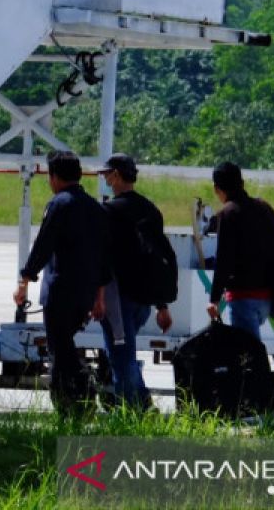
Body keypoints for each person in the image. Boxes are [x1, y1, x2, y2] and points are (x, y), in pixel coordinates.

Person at [13, 150, 110, 416]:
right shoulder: (96, 208)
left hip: (60, 291)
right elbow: (104, 257)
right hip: (86, 294)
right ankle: (77, 396)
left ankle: (74, 397)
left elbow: (43, 246)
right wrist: (99, 297)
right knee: (65, 344)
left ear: (54, 177)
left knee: (59, 349)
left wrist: (25, 280)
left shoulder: (59, 204)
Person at [98, 153, 173, 408]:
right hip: (145, 298)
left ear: (116, 175)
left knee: (121, 357)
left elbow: (103, 257)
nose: (106, 179)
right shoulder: (151, 209)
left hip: (119, 296)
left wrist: (97, 297)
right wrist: (162, 306)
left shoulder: (109, 211)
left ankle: (133, 412)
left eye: (107, 174)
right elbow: (157, 255)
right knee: (124, 355)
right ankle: (143, 404)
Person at [206, 161, 274, 340]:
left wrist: (214, 299)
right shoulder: (263, 207)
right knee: (247, 348)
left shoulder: (228, 214)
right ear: (242, 183)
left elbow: (223, 260)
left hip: (243, 297)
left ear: (217, 189)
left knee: (248, 354)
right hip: (267, 297)